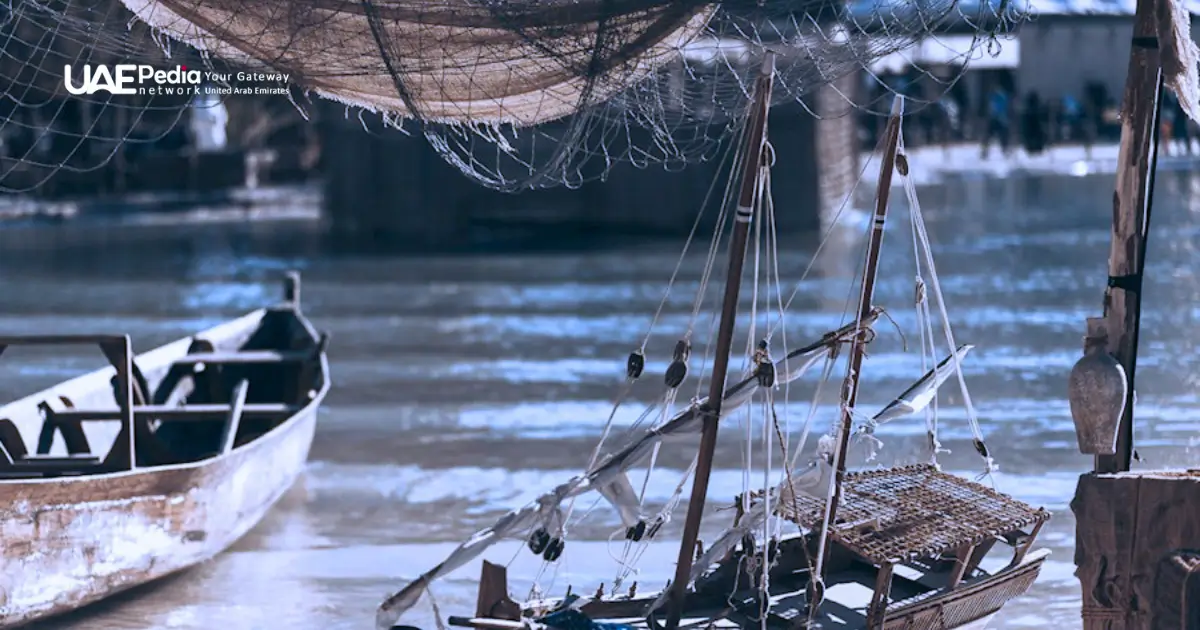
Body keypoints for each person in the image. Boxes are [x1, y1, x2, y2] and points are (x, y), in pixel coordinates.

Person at [980, 86, 1011, 159]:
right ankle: (985, 151)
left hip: (999, 119)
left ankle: (1004, 150)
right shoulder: (995, 97)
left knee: (1000, 137)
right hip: (997, 119)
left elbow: (1000, 108)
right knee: (991, 136)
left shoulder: (1000, 97)